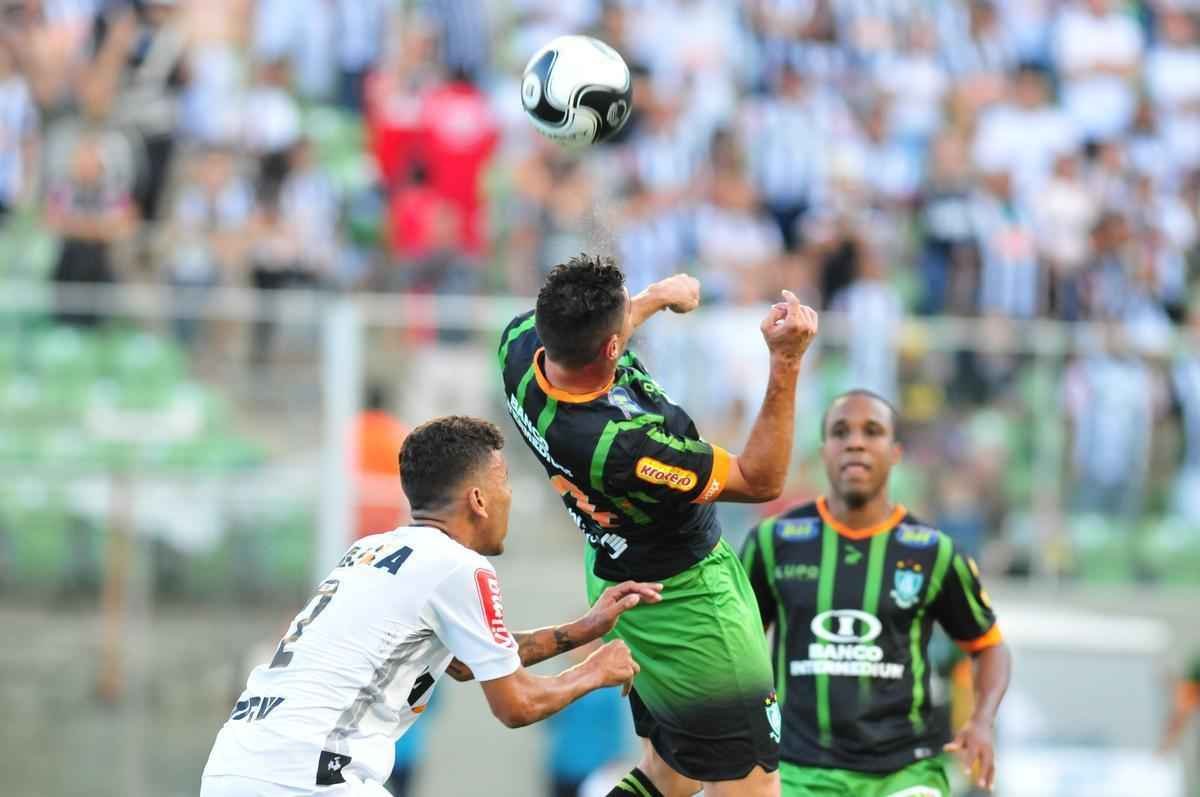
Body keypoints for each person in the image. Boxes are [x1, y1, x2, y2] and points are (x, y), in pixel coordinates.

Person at [495, 255, 819, 797]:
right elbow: (759, 480)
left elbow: (588, 332)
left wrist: (652, 298)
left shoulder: (519, 345)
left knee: (675, 772)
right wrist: (785, 361)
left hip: (616, 572)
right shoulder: (622, 446)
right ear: (612, 348)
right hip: (685, 600)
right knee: (752, 779)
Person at [201, 416, 659, 796]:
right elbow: (516, 704)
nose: (509, 497)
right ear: (478, 499)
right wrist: (596, 670)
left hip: (233, 767)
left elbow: (464, 663)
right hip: (307, 777)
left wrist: (585, 628)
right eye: (504, 482)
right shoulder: (458, 566)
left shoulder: (370, 551)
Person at [739, 390, 1012, 796]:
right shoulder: (773, 542)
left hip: (904, 773)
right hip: (796, 772)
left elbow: (989, 646)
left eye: (872, 431)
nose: (855, 442)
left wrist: (982, 720)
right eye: (840, 431)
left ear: (896, 451)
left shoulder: (933, 552)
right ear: (823, 451)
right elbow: (735, 646)